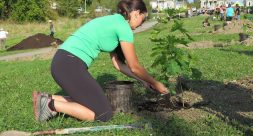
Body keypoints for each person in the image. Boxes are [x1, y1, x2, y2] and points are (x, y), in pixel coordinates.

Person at [33, 0, 169, 122]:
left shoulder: (114, 21)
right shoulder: (123, 27)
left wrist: (144, 81)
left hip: (63, 61)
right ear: (136, 13)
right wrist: (155, 83)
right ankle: (50, 105)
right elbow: (135, 66)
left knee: (90, 101)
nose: (141, 24)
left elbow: (119, 65)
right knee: (103, 114)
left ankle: (47, 98)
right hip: (69, 64)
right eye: (143, 19)